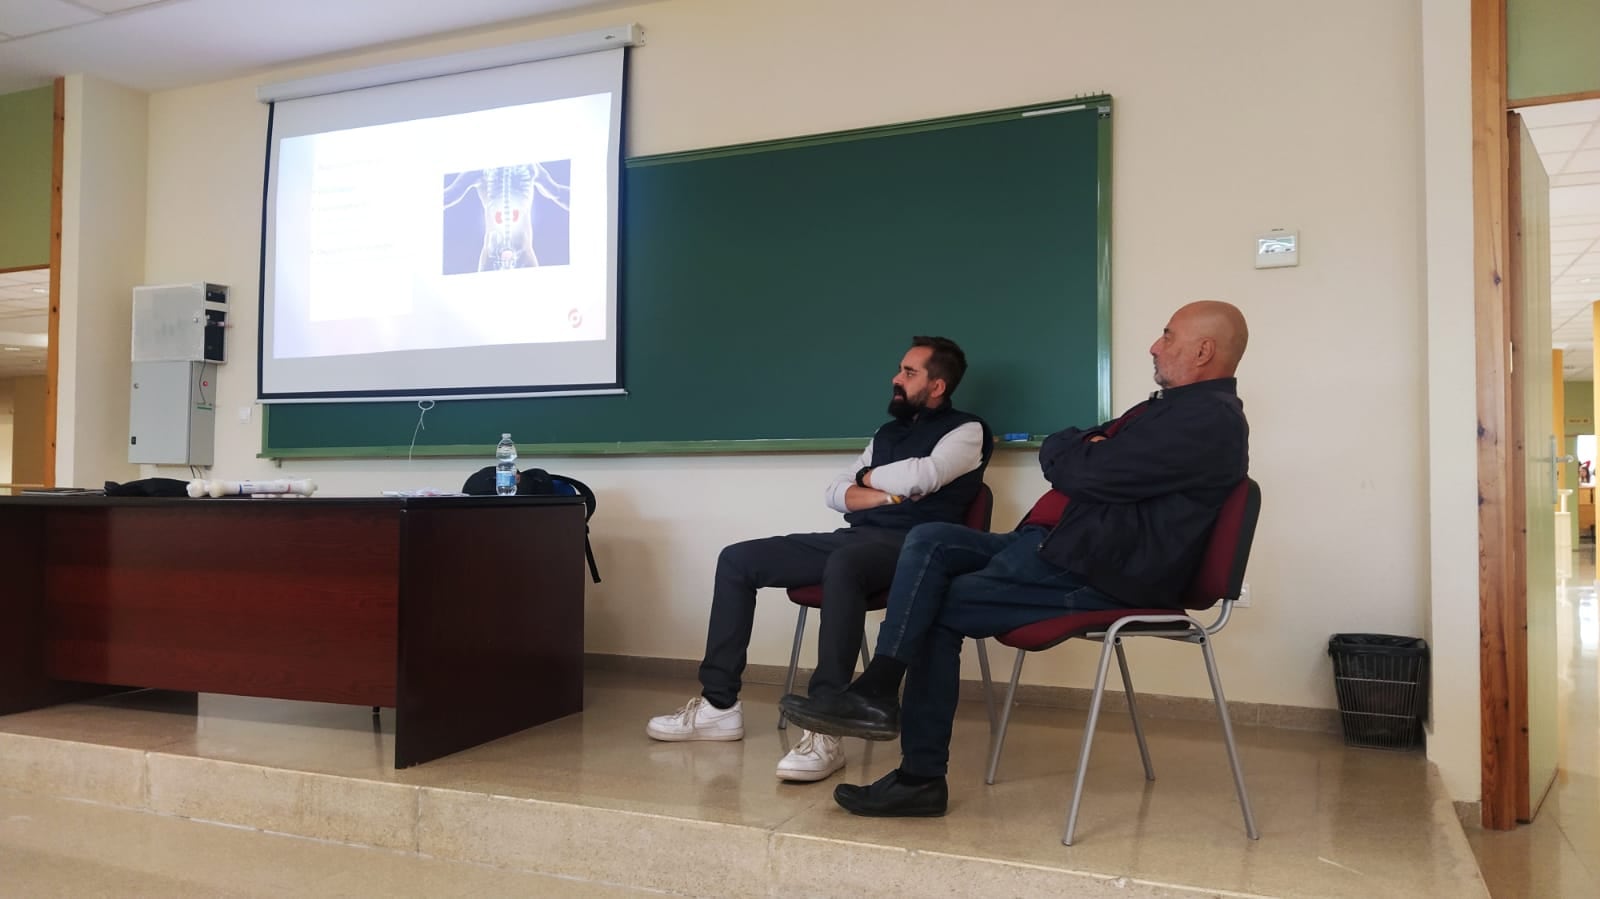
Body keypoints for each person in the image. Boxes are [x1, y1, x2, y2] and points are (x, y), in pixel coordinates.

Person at [779, 301, 1250, 816]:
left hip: (1099, 574)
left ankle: (917, 773)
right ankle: (880, 688)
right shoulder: (1166, 410)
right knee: (933, 537)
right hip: (1058, 549)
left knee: (931, 606)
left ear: (1204, 350)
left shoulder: (1207, 421)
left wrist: (1084, 453)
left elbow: (1081, 470)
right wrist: (1083, 449)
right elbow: (1071, 449)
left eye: (1167, 335)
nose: (1155, 345)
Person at [646, 336, 994, 785]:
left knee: (844, 565)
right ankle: (718, 707)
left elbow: (924, 476)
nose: (896, 378)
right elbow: (836, 492)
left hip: (915, 547)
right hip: (858, 537)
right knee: (737, 560)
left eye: (909, 372)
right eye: (899, 369)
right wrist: (887, 489)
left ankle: (825, 726)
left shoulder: (969, 431)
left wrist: (868, 483)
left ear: (938, 385)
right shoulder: (887, 434)